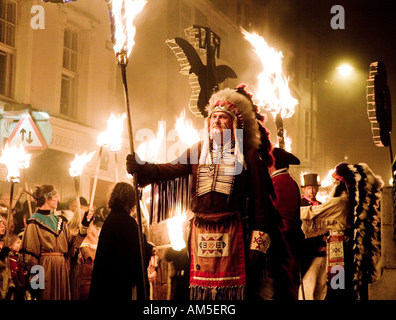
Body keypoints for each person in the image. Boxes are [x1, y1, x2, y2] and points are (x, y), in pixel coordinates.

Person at [126, 85, 294, 300]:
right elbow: (170, 169)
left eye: (223, 117)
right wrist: (143, 168)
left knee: (235, 295)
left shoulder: (248, 156)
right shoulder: (198, 150)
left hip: (234, 234)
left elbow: (262, 204)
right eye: (213, 117)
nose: (216, 121)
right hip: (201, 235)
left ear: (235, 125)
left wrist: (257, 247)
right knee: (202, 295)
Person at [300, 162, 383, 300]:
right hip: (346, 246)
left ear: (341, 183)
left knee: (336, 286)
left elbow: (312, 214)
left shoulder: (339, 202)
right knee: (343, 284)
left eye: (334, 181)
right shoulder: (349, 202)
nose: (332, 184)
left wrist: (288, 210)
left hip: (338, 247)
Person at [18, 185, 94, 300]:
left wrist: (84, 225)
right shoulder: (34, 222)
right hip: (46, 267)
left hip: (61, 267)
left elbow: (71, 244)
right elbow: (31, 255)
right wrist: (35, 282)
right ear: (47, 199)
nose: (58, 200)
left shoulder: (59, 221)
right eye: (55, 197)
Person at [89, 182, 154, 300]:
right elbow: (135, 251)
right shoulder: (127, 221)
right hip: (120, 279)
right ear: (129, 200)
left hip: (107, 279)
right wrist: (148, 248)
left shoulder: (110, 219)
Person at [269, 147, 303, 299]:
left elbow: (271, 212)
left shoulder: (275, 182)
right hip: (294, 240)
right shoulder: (292, 182)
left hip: (281, 241)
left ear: (273, 163)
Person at [7, 233, 27, 300]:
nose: (20, 245)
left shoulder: (17, 259)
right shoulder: (8, 261)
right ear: (10, 245)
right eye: (18, 243)